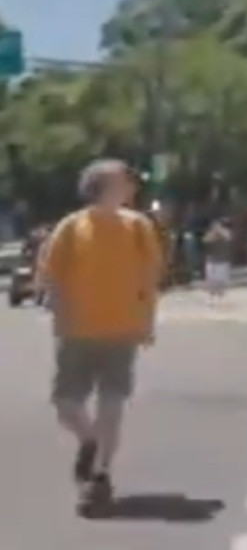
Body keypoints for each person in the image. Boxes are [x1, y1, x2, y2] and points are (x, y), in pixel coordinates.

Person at [39, 159, 163, 510]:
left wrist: (147, 322)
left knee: (112, 403)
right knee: (66, 404)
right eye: (125, 180)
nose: (131, 187)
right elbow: (52, 276)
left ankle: (100, 474)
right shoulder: (71, 227)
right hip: (78, 329)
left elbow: (149, 281)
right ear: (103, 185)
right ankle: (89, 441)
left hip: (122, 329)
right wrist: (61, 318)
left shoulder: (139, 227)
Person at [202, 220, 233, 301]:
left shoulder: (226, 234)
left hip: (222, 261)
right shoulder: (210, 235)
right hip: (212, 261)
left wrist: (219, 232)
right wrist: (213, 234)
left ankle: (220, 295)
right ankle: (211, 295)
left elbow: (228, 239)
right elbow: (205, 241)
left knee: (221, 280)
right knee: (211, 279)